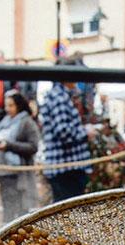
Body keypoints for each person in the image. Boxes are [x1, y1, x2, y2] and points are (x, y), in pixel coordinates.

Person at [39, 65, 92, 202]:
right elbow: (63, 131)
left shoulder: (59, 96)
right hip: (66, 168)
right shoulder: (59, 97)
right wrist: (86, 132)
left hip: (66, 167)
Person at [0, 90, 40, 222]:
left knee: (21, 212)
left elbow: (33, 146)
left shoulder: (26, 122)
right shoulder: (5, 121)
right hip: (3, 173)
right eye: (6, 106)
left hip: (18, 175)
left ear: (19, 105)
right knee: (8, 210)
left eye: (11, 105)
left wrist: (9, 146)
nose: (7, 109)